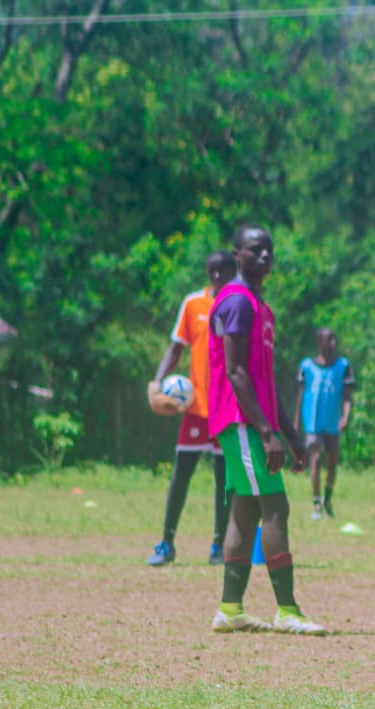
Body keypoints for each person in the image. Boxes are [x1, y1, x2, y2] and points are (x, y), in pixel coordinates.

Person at [208, 225, 325, 635]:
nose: (264, 257)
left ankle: (231, 609)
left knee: (246, 509)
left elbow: (265, 380)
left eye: (269, 251)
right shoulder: (238, 302)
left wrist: (290, 435)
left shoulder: (261, 307)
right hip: (241, 421)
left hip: (255, 420)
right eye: (255, 250)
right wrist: (265, 431)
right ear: (236, 254)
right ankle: (288, 611)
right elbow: (237, 373)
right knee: (276, 507)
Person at [144, 251, 235, 567]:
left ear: (233, 272)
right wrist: (156, 383)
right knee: (181, 475)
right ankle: (167, 543)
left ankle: (219, 547)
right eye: (212, 271)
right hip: (195, 408)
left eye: (223, 271)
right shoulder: (193, 303)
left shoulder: (239, 305)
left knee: (225, 480)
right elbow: (175, 348)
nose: (217, 277)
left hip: (226, 408)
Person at [294, 327, 354, 520]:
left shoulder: (343, 366)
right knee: (315, 459)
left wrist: (345, 417)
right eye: (329, 339)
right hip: (312, 422)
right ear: (320, 343)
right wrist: (294, 423)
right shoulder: (307, 366)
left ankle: (328, 500)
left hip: (332, 423)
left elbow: (347, 397)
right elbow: (300, 396)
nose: (333, 343)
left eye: (334, 339)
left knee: (332, 463)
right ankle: (316, 504)